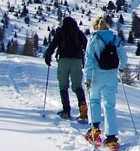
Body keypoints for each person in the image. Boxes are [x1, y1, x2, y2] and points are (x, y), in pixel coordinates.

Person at [83, 15, 128, 150]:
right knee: (109, 105)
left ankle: (94, 129)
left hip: (97, 75)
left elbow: (89, 60)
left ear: (95, 26)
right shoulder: (115, 38)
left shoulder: (93, 39)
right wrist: (119, 68)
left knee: (94, 100)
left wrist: (87, 78)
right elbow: (124, 58)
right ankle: (111, 138)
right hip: (111, 76)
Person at [44, 16, 88, 120]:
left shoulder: (61, 32)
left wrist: (48, 56)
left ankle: (66, 111)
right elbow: (87, 45)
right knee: (77, 87)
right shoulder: (78, 33)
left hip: (63, 61)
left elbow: (53, 45)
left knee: (63, 87)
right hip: (76, 61)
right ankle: (83, 111)